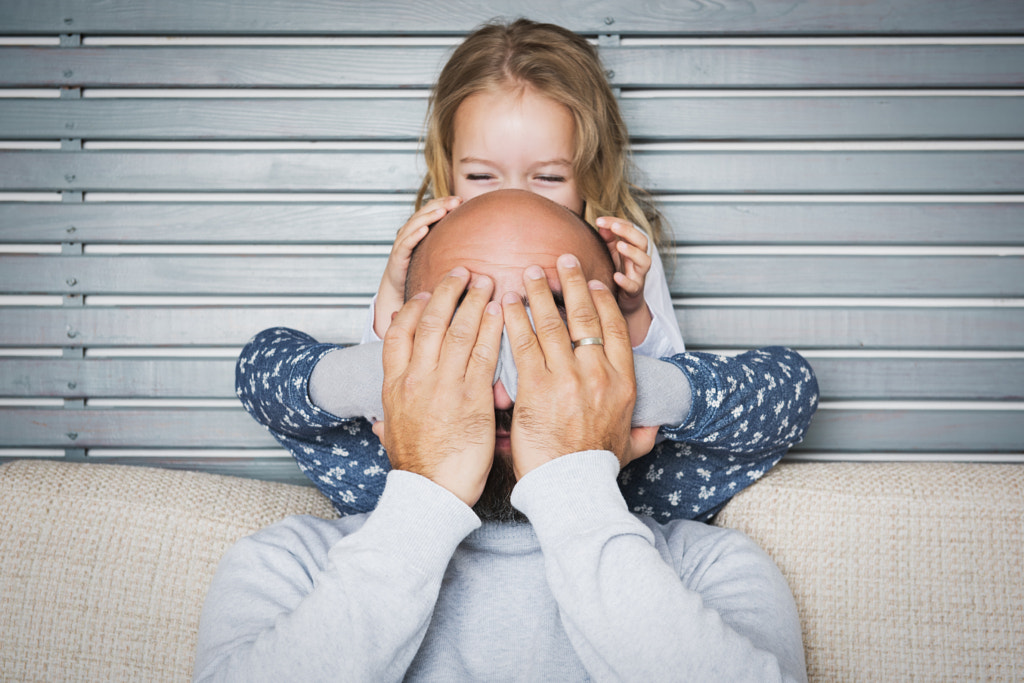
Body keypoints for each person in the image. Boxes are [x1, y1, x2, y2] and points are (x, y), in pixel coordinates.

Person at [196, 191, 809, 681]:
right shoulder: (288, 566)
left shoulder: (711, 570)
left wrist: (575, 483)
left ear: (620, 374)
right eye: (458, 330)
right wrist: (425, 492)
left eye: (553, 332)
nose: (511, 387)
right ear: (387, 378)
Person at [236, 20, 817, 520]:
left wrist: (627, 321)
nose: (515, 196)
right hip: (429, 450)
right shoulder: (423, 241)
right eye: (484, 176)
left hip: (595, 446)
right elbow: (300, 371)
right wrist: (398, 305)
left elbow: (717, 381)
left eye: (547, 177)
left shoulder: (621, 250)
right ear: (447, 168)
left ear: (591, 172)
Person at [238, 192, 817, 520]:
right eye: (463, 317)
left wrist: (615, 389)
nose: (510, 385)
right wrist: (398, 374)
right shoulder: (378, 463)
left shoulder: (644, 474)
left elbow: (791, 389)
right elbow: (262, 369)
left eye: (551, 318)